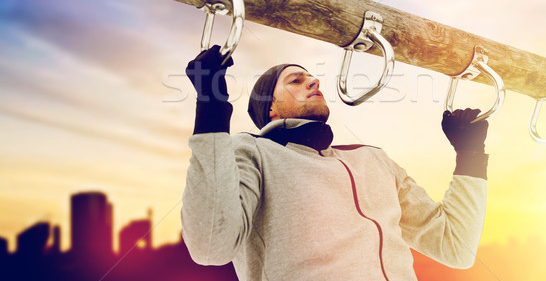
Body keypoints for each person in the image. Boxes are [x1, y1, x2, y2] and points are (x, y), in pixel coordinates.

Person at [181, 45, 490, 281]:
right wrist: (211, 108)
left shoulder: (373, 159)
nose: (313, 81)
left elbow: (456, 245)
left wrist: (470, 156)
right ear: (271, 109)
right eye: (296, 80)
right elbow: (211, 243)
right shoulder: (254, 153)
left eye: (311, 77)